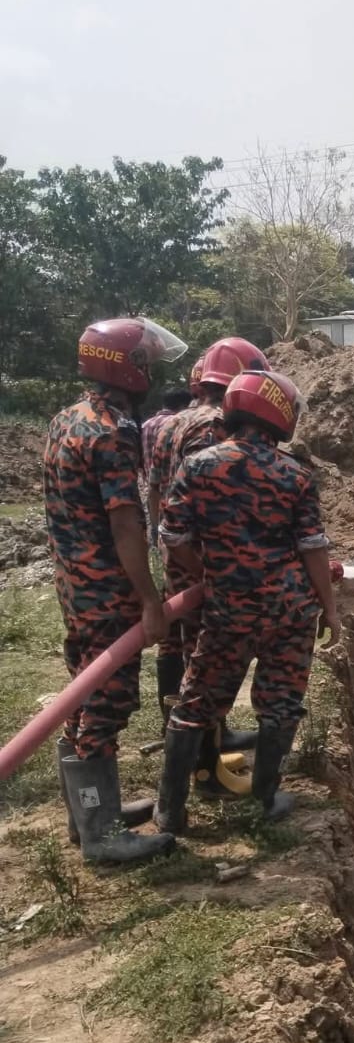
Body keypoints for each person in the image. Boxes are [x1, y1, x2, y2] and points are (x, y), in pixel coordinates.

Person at [156, 370, 340, 832]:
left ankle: (169, 812)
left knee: (195, 704)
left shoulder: (198, 466)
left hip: (227, 612)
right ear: (279, 414)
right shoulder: (294, 474)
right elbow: (313, 548)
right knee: (280, 704)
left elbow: (172, 536)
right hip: (290, 613)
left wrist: (211, 574)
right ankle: (264, 799)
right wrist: (329, 607)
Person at [45, 317, 188, 863]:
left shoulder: (65, 420)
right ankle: (102, 834)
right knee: (108, 698)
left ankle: (88, 817)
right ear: (127, 367)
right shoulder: (112, 432)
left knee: (82, 691)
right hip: (107, 588)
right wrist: (151, 601)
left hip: (73, 585)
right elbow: (125, 524)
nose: (149, 371)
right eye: (144, 361)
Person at [148, 337, 272, 773]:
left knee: (175, 643)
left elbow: (156, 491)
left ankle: (196, 735)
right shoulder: (214, 427)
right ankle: (205, 764)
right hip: (201, 559)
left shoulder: (169, 422)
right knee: (205, 657)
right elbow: (208, 497)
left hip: (175, 550)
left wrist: (162, 542)